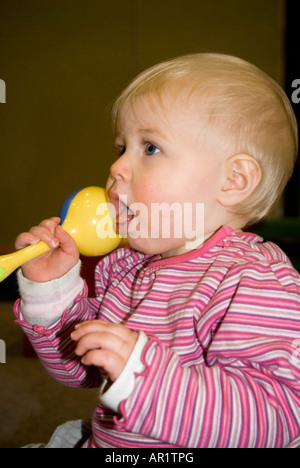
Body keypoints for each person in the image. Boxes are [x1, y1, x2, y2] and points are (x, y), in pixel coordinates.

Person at [14, 53, 300, 448]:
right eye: (121, 148)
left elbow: (278, 416)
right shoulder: (128, 266)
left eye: (149, 148)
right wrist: (52, 292)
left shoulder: (252, 281)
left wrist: (144, 376)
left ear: (233, 180)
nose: (116, 169)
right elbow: (81, 371)